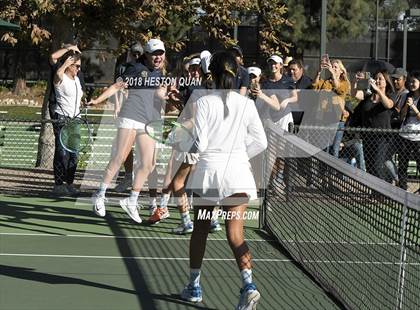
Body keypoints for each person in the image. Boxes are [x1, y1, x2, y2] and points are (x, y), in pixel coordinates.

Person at [180, 51, 267, 309]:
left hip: (210, 175)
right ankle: (249, 285)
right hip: (238, 175)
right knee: (236, 233)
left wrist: (189, 156)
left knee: (200, 230)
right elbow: (260, 142)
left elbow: (201, 143)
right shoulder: (247, 104)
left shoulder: (204, 102)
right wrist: (238, 156)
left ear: (213, 74)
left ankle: (194, 287)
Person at [90, 38, 169, 223]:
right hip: (130, 117)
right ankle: (100, 194)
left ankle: (131, 200)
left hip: (146, 121)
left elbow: (158, 97)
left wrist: (165, 95)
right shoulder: (136, 69)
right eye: (154, 54)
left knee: (148, 164)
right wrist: (98, 100)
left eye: (161, 53)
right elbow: (117, 86)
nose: (158, 57)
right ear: (147, 54)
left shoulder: (159, 74)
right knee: (119, 158)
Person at [351, 70, 395, 181]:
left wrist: (379, 91)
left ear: (386, 82)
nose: (378, 81)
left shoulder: (390, 96)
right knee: (370, 167)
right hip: (368, 136)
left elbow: (389, 105)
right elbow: (353, 98)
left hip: (383, 138)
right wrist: (354, 83)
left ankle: (384, 190)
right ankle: (374, 192)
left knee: (377, 164)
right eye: (376, 78)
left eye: (381, 79)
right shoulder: (367, 97)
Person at [51, 51, 84, 196]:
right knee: (61, 153)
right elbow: (58, 73)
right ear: (69, 65)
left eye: (79, 66)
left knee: (74, 153)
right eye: (76, 66)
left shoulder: (76, 80)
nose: (78, 69)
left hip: (75, 119)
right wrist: (65, 63)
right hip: (62, 118)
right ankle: (58, 185)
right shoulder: (61, 77)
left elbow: (78, 98)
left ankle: (69, 183)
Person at [312, 58, 351, 157]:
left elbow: (339, 89)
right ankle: (324, 171)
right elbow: (314, 86)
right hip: (325, 118)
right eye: (332, 66)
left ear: (341, 71)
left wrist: (332, 74)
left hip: (337, 120)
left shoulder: (344, 83)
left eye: (335, 67)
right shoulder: (326, 82)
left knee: (334, 148)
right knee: (325, 148)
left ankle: (334, 172)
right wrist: (318, 72)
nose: (333, 69)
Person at [398, 71, 420, 191]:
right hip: (405, 134)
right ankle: (402, 188)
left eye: (414, 81)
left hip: (418, 136)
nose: (411, 84)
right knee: (402, 164)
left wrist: (413, 106)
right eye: (410, 81)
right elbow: (402, 116)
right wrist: (406, 106)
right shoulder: (407, 96)